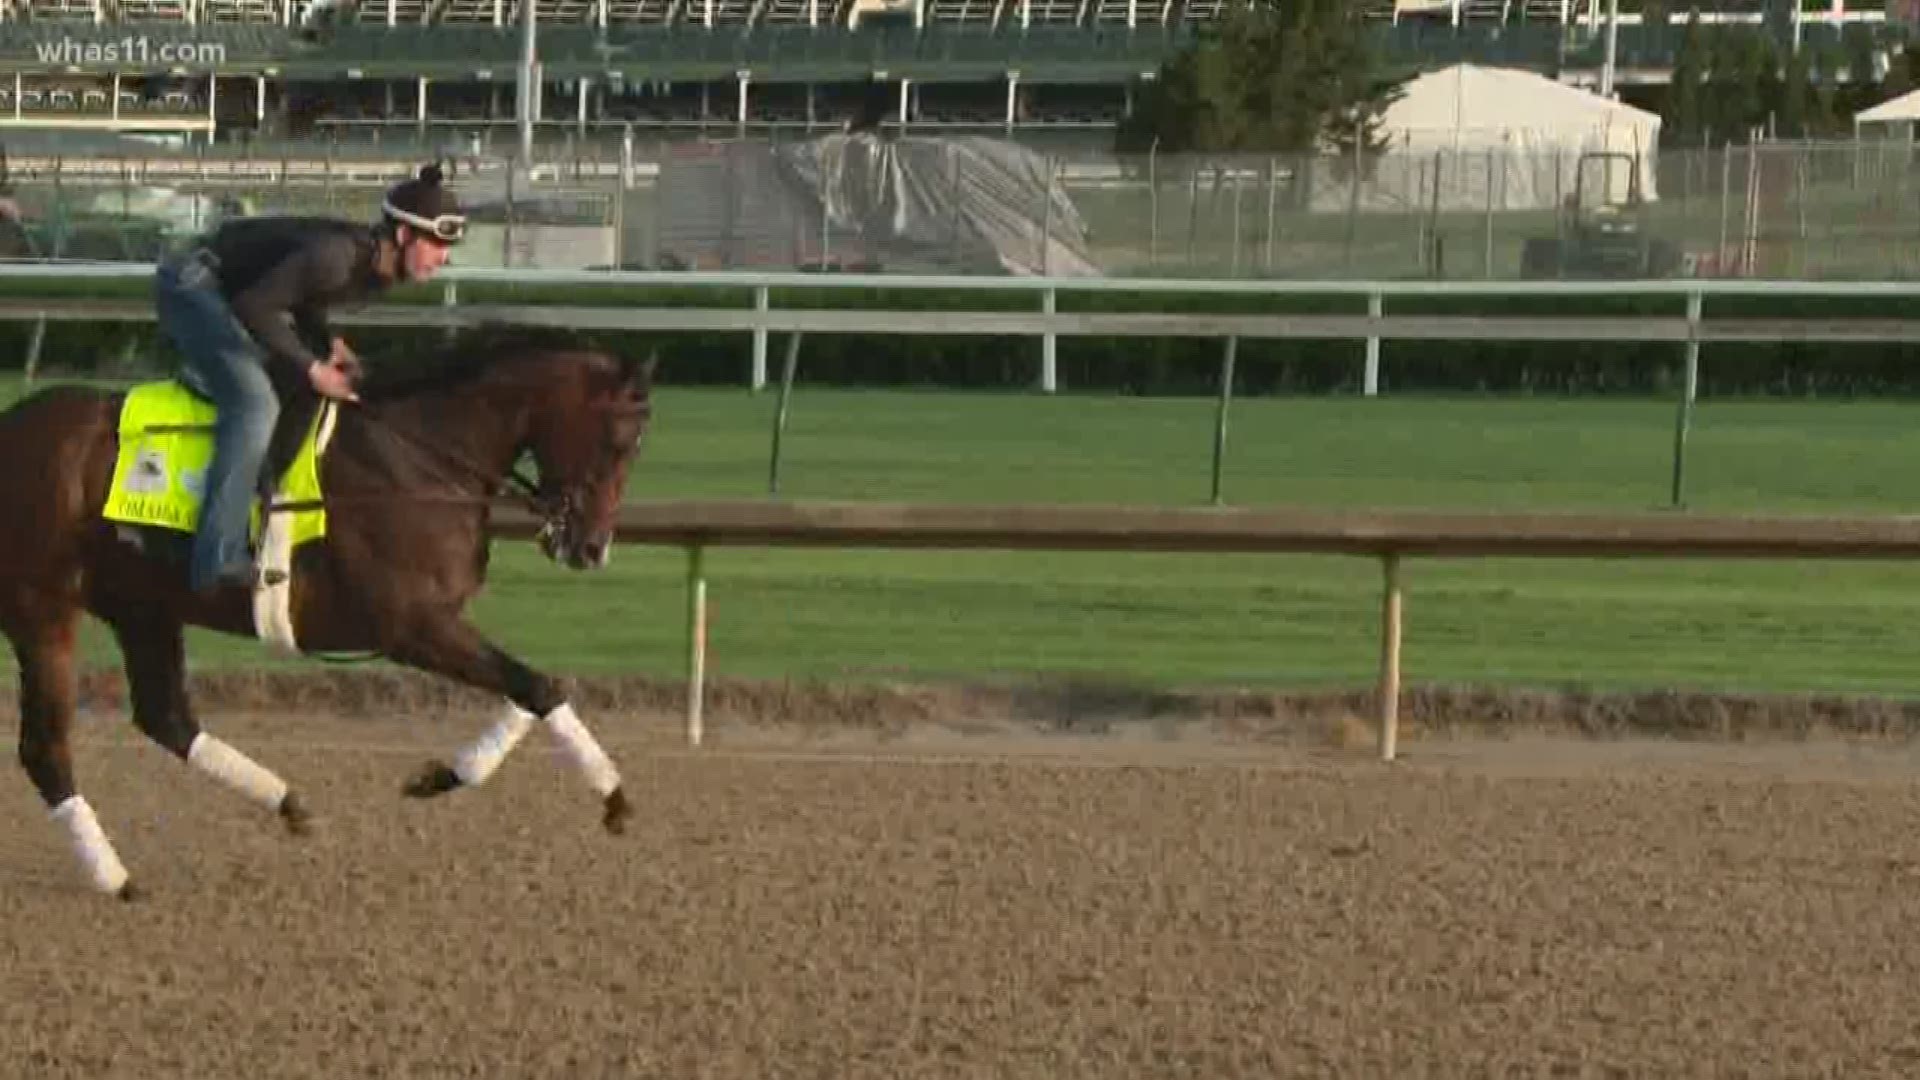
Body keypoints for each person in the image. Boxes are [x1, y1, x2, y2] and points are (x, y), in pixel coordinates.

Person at [152, 161, 466, 595]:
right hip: (193, 285)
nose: (443, 257)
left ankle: (265, 518)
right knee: (255, 406)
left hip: (233, 286)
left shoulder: (376, 265)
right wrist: (313, 367)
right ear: (404, 235)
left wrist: (329, 344)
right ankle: (217, 559)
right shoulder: (338, 257)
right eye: (436, 243)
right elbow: (254, 306)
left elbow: (302, 296)